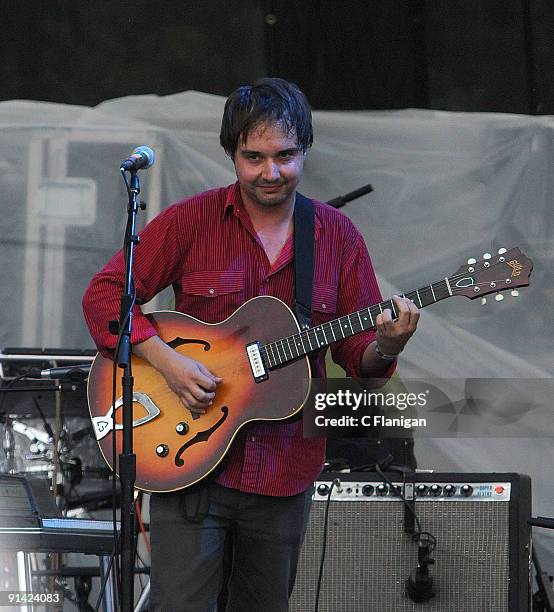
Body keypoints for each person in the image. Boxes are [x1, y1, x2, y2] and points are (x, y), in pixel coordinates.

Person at [82, 77, 419, 612]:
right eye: (253, 157)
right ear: (231, 154)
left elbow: (362, 362)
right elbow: (104, 296)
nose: (270, 172)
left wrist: (387, 343)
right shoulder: (191, 221)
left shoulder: (336, 237)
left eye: (285, 156)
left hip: (284, 473)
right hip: (185, 463)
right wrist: (164, 359)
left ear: (305, 149)